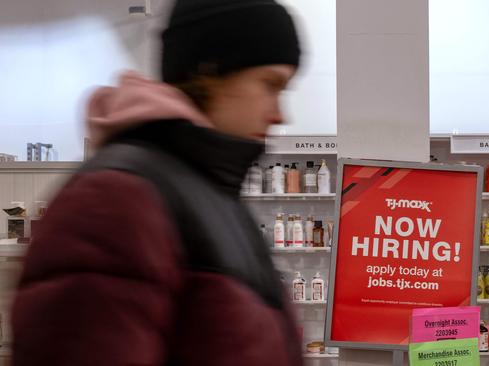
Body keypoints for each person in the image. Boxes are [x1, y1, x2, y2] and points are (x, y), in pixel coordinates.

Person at [11, 0, 303, 365]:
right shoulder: (116, 200)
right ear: (208, 70)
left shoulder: (209, 195)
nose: (279, 114)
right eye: (270, 84)